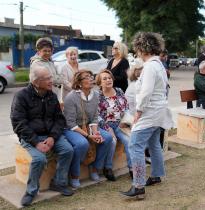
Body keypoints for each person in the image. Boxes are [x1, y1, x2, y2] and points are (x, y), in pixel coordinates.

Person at [10, 66, 74, 207]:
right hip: (31, 137)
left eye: (51, 77)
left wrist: (52, 137)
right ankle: (31, 191)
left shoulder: (51, 95)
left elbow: (59, 119)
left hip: (50, 135)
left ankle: (58, 183)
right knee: (39, 159)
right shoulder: (21, 96)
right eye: (48, 78)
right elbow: (18, 123)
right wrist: (35, 142)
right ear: (36, 82)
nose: (52, 80)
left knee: (68, 150)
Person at [121, 32, 173, 199]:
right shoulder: (159, 65)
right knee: (153, 143)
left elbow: (146, 92)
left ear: (142, 48)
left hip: (150, 112)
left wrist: (138, 111)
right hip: (158, 112)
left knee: (134, 145)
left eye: (137, 49)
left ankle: (138, 186)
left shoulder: (150, 66)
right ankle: (157, 175)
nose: (136, 53)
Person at [63, 70, 114, 188]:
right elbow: (70, 123)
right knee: (82, 144)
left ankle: (95, 168)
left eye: (91, 76)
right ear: (79, 83)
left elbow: (95, 117)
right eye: (87, 77)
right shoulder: (71, 97)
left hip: (87, 125)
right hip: (71, 128)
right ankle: (74, 174)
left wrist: (96, 133)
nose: (91, 79)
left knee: (107, 138)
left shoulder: (96, 94)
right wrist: (88, 136)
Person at [96, 69, 133, 180]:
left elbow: (126, 107)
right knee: (112, 141)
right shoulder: (98, 95)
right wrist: (107, 127)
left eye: (109, 78)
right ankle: (108, 167)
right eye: (105, 78)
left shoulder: (119, 91)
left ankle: (132, 168)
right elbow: (96, 115)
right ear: (99, 83)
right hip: (105, 125)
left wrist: (126, 122)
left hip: (120, 124)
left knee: (129, 141)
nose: (108, 80)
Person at [30, 37, 64, 102]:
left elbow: (55, 75)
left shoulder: (49, 61)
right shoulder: (37, 63)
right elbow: (49, 79)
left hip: (52, 93)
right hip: (43, 95)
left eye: (49, 51)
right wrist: (62, 79)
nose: (48, 53)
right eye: (45, 51)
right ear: (39, 51)